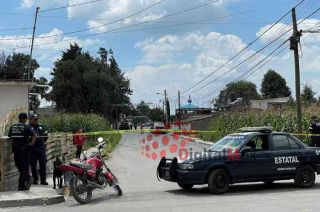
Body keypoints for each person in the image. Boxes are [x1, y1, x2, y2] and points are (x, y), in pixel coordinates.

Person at [8, 113, 36, 191]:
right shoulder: (27, 127)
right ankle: (26, 180)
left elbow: (10, 137)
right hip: (25, 150)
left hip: (16, 150)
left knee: (19, 165)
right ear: (25, 119)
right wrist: (32, 143)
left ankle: (23, 183)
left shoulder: (12, 127)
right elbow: (35, 135)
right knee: (24, 167)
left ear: (19, 118)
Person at [29, 114, 49, 185]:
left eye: (37, 119)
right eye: (34, 119)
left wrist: (43, 141)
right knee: (33, 165)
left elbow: (46, 136)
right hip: (32, 149)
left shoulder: (42, 126)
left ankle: (43, 180)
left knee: (43, 164)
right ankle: (35, 179)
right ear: (31, 119)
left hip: (41, 148)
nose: (36, 120)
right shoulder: (29, 127)